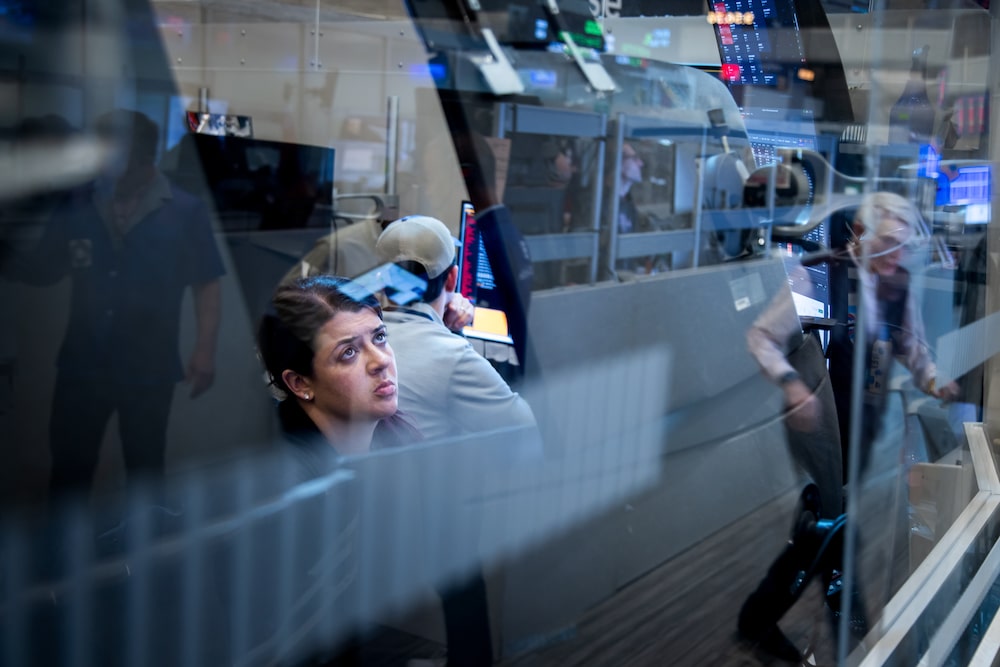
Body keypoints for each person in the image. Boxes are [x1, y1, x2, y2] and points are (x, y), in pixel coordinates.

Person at [3, 109, 225, 501]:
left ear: (145, 161)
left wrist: (204, 350)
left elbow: (206, 282)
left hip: (149, 368)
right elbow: (46, 267)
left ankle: (143, 556)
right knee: (70, 471)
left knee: (145, 470)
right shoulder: (79, 201)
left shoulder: (183, 211)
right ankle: (67, 557)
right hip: (82, 365)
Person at [747, 190, 959, 482]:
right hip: (820, 428)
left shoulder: (898, 283)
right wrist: (791, 383)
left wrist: (935, 381)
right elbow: (762, 337)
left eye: (903, 246)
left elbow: (913, 351)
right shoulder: (818, 274)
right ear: (859, 231)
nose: (896, 255)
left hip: (872, 431)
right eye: (887, 242)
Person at [374, 214, 538, 443]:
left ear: (381, 281)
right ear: (452, 278)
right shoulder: (452, 356)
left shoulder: (362, 339)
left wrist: (448, 329)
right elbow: (529, 431)